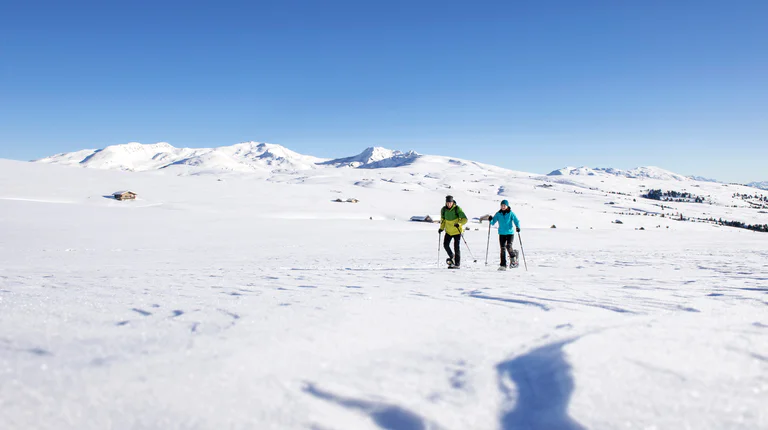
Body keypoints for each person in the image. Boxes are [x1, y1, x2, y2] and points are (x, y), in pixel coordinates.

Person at [490, 199, 521, 270]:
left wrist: (518, 227)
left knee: (508, 246)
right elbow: (492, 222)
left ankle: (514, 261)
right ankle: (503, 265)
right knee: (502, 249)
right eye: (502, 205)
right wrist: (490, 219)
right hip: (502, 233)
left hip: (510, 233)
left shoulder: (511, 213)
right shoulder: (498, 214)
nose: (503, 207)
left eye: (504, 205)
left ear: (507, 206)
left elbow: (516, 221)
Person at [439, 195, 468, 268]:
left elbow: (465, 219)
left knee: (456, 247)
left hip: (457, 231)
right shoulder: (443, 210)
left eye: (450, 203)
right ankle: (452, 257)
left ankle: (457, 264)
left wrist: (459, 223)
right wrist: (441, 228)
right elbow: (443, 221)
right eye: (447, 203)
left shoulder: (457, 209)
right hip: (448, 231)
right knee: (445, 245)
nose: (449, 204)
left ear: (452, 202)